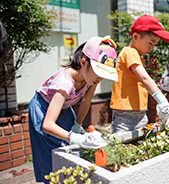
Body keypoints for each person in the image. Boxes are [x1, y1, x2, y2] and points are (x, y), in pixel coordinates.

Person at [28, 36, 118, 183]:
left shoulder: (91, 78)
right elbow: (47, 124)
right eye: (99, 72)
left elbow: (85, 101)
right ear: (83, 62)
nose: (101, 79)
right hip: (43, 108)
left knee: (71, 146)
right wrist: (77, 137)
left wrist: (77, 125)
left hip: (63, 108)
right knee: (55, 149)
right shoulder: (65, 82)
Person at [110, 15, 169, 133]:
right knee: (122, 146)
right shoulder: (130, 52)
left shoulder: (136, 56)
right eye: (150, 43)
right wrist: (161, 100)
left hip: (138, 112)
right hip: (125, 113)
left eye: (154, 45)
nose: (151, 48)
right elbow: (144, 78)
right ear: (135, 37)